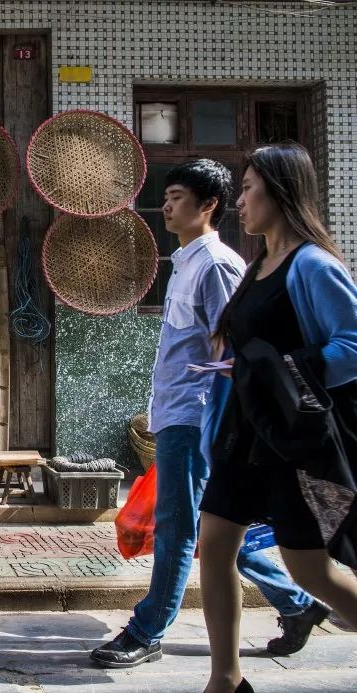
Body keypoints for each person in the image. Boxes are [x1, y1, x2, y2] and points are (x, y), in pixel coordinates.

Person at [90, 159, 327, 670]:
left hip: (199, 417)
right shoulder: (184, 263)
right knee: (213, 527)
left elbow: (238, 345)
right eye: (168, 196)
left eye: (176, 197)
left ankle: (146, 630)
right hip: (177, 413)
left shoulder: (218, 264)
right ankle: (298, 602)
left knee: (178, 527)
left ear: (208, 205)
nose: (167, 205)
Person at [198, 144, 357, 693]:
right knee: (215, 542)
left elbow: (353, 345)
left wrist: (279, 373)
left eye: (247, 188)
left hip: (292, 440)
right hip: (245, 434)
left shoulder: (312, 264)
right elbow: (257, 352)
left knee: (309, 569)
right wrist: (238, 369)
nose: (238, 201)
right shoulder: (258, 265)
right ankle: (225, 679)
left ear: (281, 190)